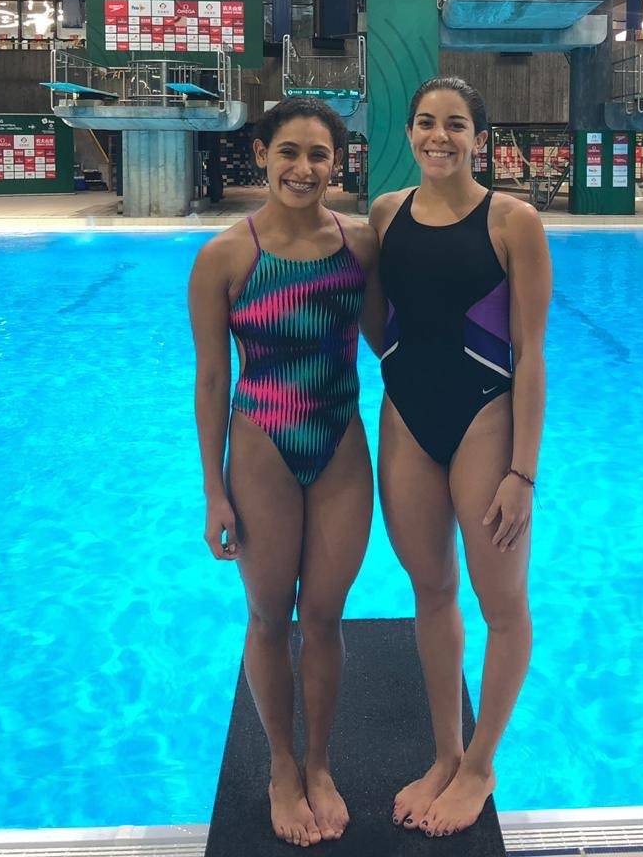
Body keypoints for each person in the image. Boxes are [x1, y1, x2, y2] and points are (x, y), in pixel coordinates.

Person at [188, 97, 382, 847]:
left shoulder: (360, 246)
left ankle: (320, 763)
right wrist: (214, 490)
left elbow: (393, 339)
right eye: (290, 152)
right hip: (261, 447)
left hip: (340, 447)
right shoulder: (224, 257)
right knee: (270, 616)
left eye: (320, 155)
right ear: (262, 155)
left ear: (339, 163)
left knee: (325, 617)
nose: (304, 168)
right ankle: (280, 764)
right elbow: (212, 380)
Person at [370, 76, 552, 838]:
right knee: (432, 590)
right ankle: (446, 753)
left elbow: (531, 353)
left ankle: (480, 765)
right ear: (409, 132)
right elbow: (378, 323)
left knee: (501, 604)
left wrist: (523, 472)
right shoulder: (385, 213)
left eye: (454, 124)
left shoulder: (513, 221)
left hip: (484, 419)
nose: (437, 136)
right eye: (425, 122)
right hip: (406, 416)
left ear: (479, 136)